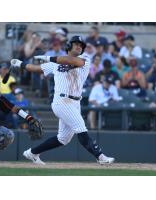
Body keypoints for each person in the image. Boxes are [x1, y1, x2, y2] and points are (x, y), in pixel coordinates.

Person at [10, 35, 115, 165]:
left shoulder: (85, 59)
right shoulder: (55, 63)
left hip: (75, 102)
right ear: (69, 46)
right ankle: (100, 157)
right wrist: (20, 63)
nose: (79, 46)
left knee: (63, 139)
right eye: (76, 43)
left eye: (81, 45)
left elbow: (69, 60)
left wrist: (49, 58)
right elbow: (35, 68)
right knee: (81, 128)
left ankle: (32, 153)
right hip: (61, 101)